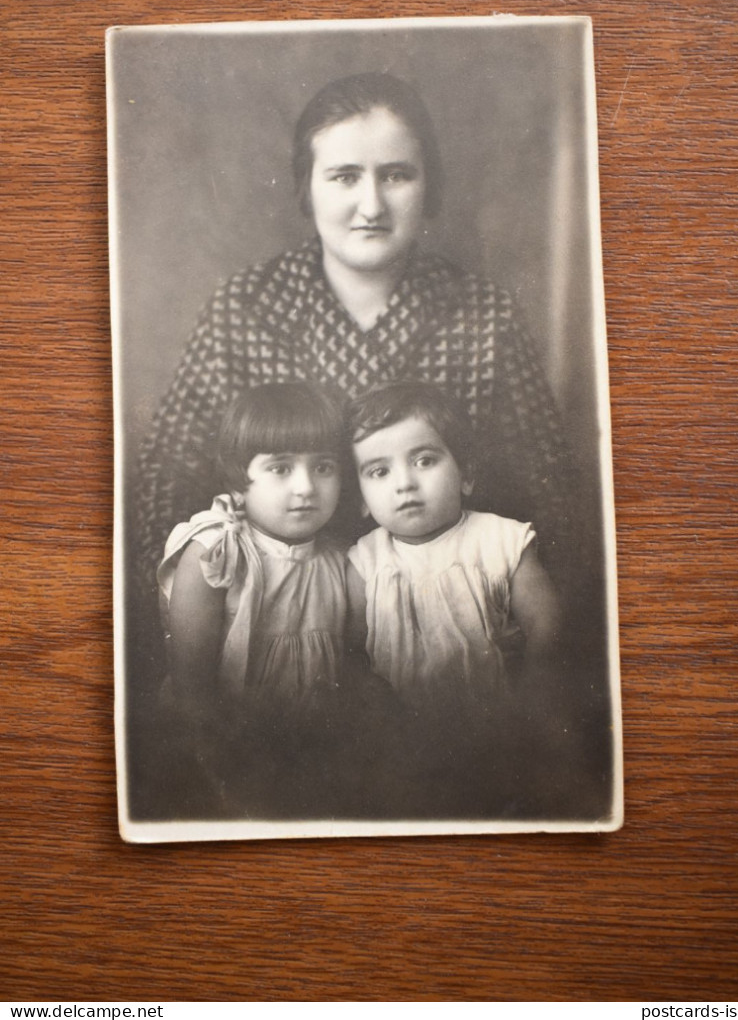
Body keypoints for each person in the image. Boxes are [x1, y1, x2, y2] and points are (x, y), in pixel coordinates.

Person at [133, 72, 576, 606]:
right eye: (344, 177)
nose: (371, 205)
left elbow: (551, 495)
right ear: (306, 186)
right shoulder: (244, 306)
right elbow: (163, 482)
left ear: (427, 184)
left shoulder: (484, 313)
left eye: (396, 175)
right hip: (273, 619)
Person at [345, 381, 568, 817]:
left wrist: (538, 680)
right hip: (399, 729)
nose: (405, 483)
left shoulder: (500, 538)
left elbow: (546, 623)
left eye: (424, 460)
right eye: (379, 472)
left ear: (466, 474)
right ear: (362, 502)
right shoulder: (364, 560)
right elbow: (350, 649)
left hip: (496, 722)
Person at [155, 382, 353, 813]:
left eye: (324, 468)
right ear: (238, 481)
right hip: (218, 751)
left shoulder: (341, 561)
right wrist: (224, 770)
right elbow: (193, 688)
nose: (306, 487)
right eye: (281, 468)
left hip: (311, 753)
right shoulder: (217, 551)